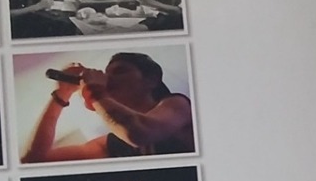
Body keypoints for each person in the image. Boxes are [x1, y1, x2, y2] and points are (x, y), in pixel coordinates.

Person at [23, 52, 196, 163]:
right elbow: (34, 159)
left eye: (120, 71)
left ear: (151, 80)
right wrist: (61, 95)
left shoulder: (177, 104)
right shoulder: (113, 142)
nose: (108, 79)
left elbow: (139, 133)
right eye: (107, 73)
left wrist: (95, 90)